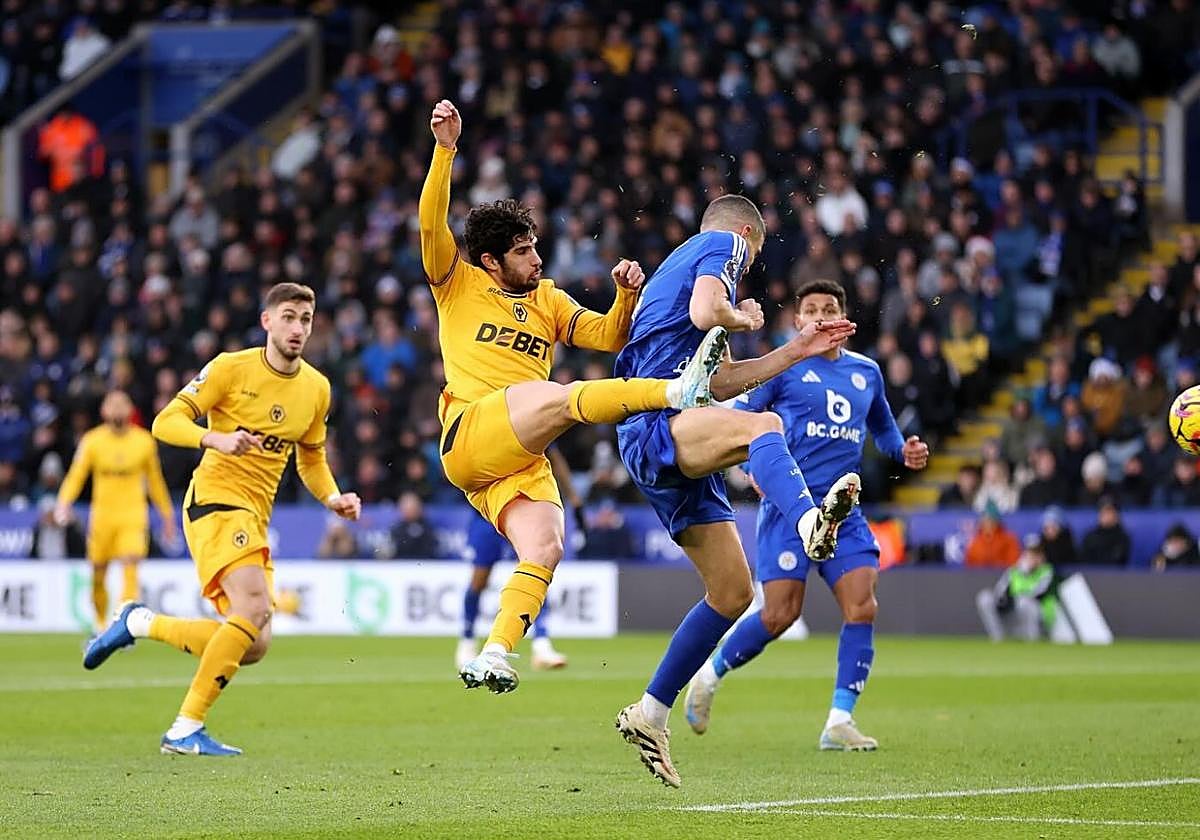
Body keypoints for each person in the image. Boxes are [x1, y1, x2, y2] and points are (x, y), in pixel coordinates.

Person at [420, 100, 725, 695]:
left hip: (514, 458)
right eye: (524, 252)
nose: (538, 259)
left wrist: (624, 298)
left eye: (536, 247)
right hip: (471, 429)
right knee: (558, 397)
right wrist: (445, 150)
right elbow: (432, 225)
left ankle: (496, 651)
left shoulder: (550, 301)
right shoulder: (456, 284)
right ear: (491, 260)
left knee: (546, 545)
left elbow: (610, 337)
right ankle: (676, 391)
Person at [609, 199, 857, 785]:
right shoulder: (724, 245)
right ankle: (808, 523)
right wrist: (738, 315)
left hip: (666, 426)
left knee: (732, 591)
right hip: (655, 422)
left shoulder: (673, 275)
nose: (745, 268)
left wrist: (796, 351)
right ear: (748, 234)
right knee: (765, 428)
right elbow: (706, 310)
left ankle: (649, 713)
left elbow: (719, 381)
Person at [82, 283, 362, 756]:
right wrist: (215, 440)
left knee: (254, 643)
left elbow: (310, 459)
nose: (299, 328)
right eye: (289, 317)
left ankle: (139, 623)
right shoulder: (230, 368)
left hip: (254, 515)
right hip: (214, 500)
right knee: (253, 612)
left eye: (307, 319)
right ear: (267, 321)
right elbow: (164, 421)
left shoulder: (317, 388)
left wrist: (333, 497)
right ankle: (184, 727)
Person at [683, 280, 930, 753]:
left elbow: (883, 428)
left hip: (844, 509)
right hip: (788, 509)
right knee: (779, 615)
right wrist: (754, 466)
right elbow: (738, 424)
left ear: (844, 318)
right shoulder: (782, 369)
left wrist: (904, 450)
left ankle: (839, 720)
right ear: (797, 322)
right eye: (811, 310)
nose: (820, 316)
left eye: (829, 308)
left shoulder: (867, 373)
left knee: (863, 605)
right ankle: (710, 674)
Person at [54, 390, 176, 633]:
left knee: (131, 566)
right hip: (102, 517)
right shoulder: (92, 441)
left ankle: (123, 627)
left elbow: (155, 482)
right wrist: (63, 502)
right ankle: (100, 622)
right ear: (104, 411)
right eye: (113, 405)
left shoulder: (144, 442)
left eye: (123, 404)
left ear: (131, 410)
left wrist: (167, 516)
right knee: (98, 573)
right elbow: (76, 475)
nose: (118, 410)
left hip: (132, 516)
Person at [454, 448, 578, 671]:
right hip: (486, 512)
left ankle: (541, 643)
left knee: (534, 570)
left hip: (521, 506)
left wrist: (574, 498)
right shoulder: (483, 422)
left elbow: (554, 456)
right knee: (479, 580)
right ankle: (467, 640)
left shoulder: (523, 421)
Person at [975, 535, 1058, 641]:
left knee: (1024, 602)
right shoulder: (1014, 571)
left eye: (1037, 554)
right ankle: (997, 638)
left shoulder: (1047, 571)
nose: (1034, 557)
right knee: (985, 597)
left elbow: (1040, 594)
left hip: (1040, 616)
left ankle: (1033, 640)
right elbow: (1000, 592)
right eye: (1031, 553)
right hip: (1014, 612)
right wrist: (1006, 600)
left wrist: (1027, 576)